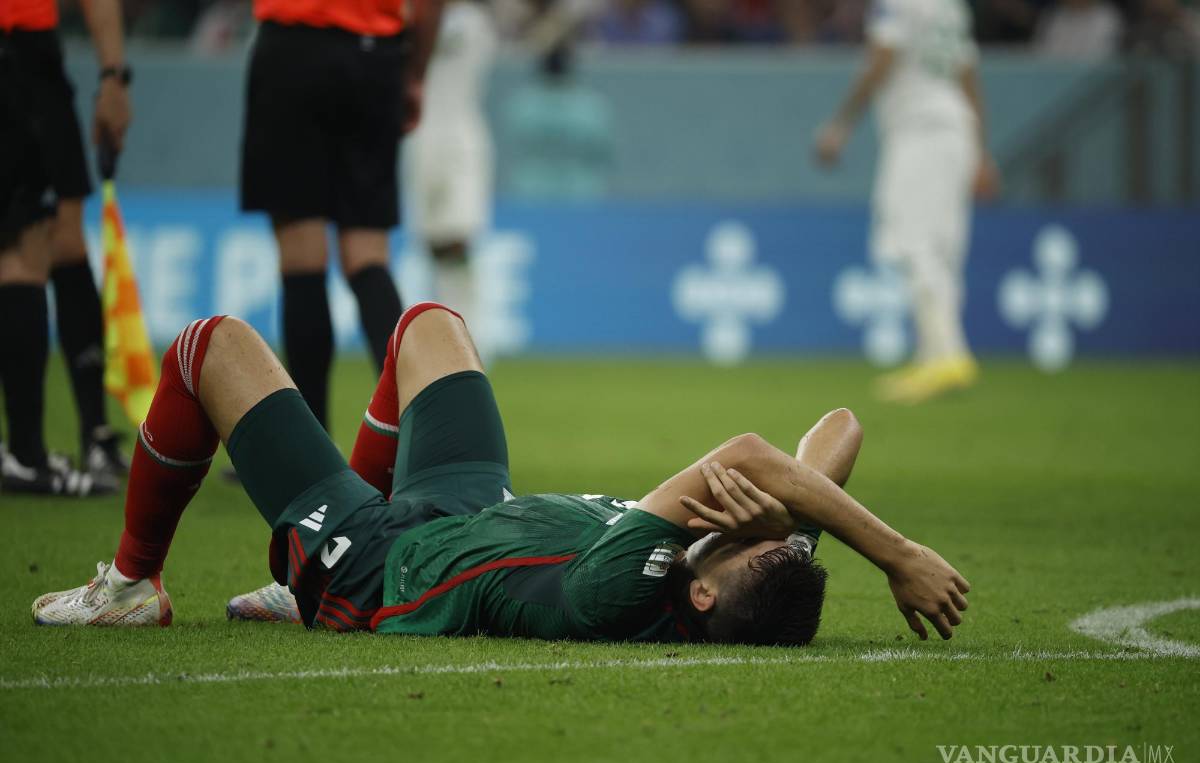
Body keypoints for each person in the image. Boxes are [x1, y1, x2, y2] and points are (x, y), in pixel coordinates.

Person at [32, 304, 970, 644]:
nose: (749, 528)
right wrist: (791, 527)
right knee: (427, 328)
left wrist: (897, 555)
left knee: (206, 348)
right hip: (472, 514)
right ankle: (286, 579)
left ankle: (132, 583)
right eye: (771, 534)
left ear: (704, 599)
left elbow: (758, 453)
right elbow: (836, 433)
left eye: (740, 547)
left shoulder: (623, 588)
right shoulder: (745, 564)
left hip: (386, 570)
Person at [239, 0, 444, 430]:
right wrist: (416, 74)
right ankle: (422, 433)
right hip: (375, 57)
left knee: (301, 257)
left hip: (292, 49)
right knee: (368, 256)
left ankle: (310, 451)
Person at [815, 0, 999, 404]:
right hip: (956, 130)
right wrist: (981, 152)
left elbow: (883, 55)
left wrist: (842, 123)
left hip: (919, 131)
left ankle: (947, 355)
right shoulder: (951, 7)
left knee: (913, 241)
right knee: (943, 248)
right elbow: (967, 74)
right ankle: (934, 356)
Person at [0, 0, 132, 496]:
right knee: (24, 245)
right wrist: (114, 75)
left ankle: (92, 433)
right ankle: (27, 454)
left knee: (65, 237)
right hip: (18, 49)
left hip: (29, 58)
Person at [402, 0, 497, 338]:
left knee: (458, 237)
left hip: (461, 141)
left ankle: (471, 331)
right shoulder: (414, 19)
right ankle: (442, 333)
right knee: (432, 242)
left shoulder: (472, 22)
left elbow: (443, 34)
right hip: (420, 140)